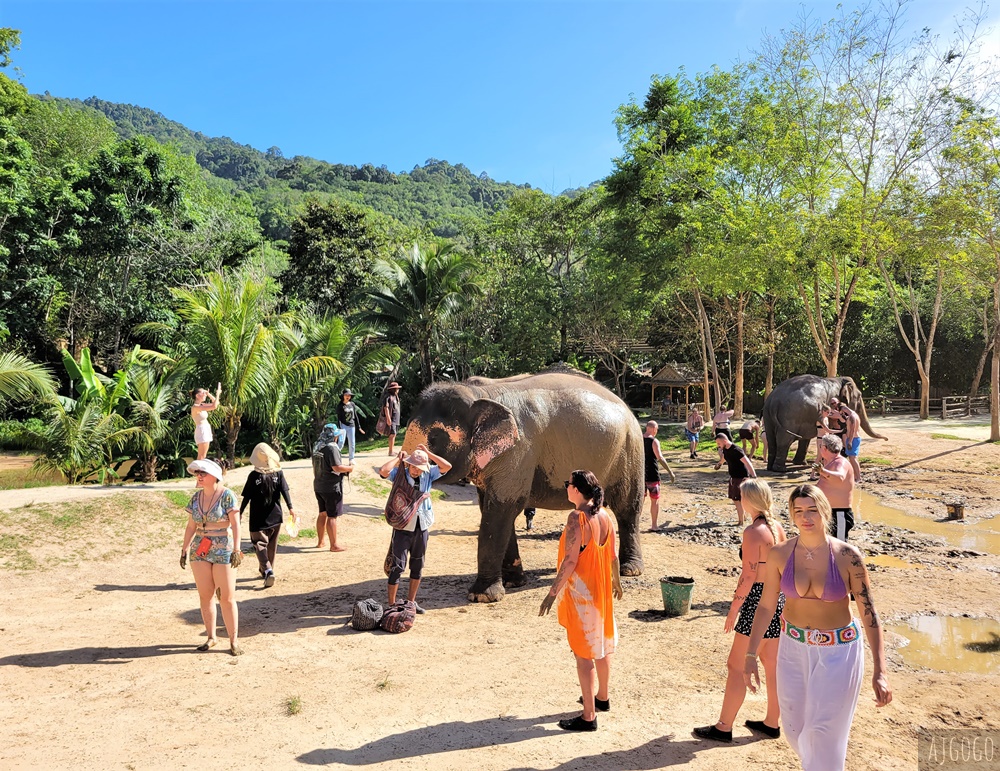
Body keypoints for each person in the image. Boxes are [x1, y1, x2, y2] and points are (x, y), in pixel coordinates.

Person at [744, 485, 892, 771]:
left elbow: (868, 611)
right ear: (791, 515)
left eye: (812, 509)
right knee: (795, 729)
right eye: (798, 511)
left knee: (824, 733)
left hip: (838, 651)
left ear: (824, 510)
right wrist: (750, 655)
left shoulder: (848, 556)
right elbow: (765, 607)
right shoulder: (779, 554)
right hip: (793, 647)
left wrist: (881, 671)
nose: (805, 517)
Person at [695, 478, 787, 743]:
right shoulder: (778, 528)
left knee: (736, 666)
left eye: (742, 496)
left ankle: (724, 727)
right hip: (776, 599)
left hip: (757, 601)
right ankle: (772, 722)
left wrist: (734, 608)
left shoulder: (753, 532)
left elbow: (748, 575)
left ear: (750, 501)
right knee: (772, 664)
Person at [539, 469, 623, 732]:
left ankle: (588, 716)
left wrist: (551, 593)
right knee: (602, 645)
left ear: (577, 489)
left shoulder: (577, 517)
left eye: (568, 484)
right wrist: (617, 581)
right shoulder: (604, 515)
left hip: (582, 594)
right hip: (601, 592)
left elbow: (571, 559)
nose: (566, 488)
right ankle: (603, 698)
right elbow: (612, 555)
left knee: (583, 654)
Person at [179, 459, 243, 656]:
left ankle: (233, 640)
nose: (199, 476)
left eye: (203, 473)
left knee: (226, 596)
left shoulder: (227, 496)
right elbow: (191, 526)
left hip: (223, 546)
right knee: (205, 594)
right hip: (200, 547)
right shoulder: (195, 498)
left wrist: (237, 550)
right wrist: (184, 549)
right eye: (197, 472)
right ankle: (211, 637)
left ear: (215, 476)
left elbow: (236, 524)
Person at [379, 444, 451, 613]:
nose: (417, 471)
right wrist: (398, 459)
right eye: (414, 467)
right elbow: (383, 471)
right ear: (409, 464)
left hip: (422, 525)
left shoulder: (428, 474)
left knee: (417, 565)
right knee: (397, 566)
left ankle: (411, 602)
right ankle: (391, 605)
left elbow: (447, 466)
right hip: (403, 526)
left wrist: (428, 453)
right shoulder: (399, 474)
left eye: (420, 468)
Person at [239, 443, 295, 588]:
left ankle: (267, 569)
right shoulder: (279, 473)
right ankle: (267, 570)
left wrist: (240, 512)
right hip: (276, 516)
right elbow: (285, 490)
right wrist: (291, 508)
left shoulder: (253, 476)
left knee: (259, 544)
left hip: (258, 518)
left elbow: (247, 497)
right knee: (271, 545)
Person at [313, 424, 352, 551]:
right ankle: (334, 545)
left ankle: (320, 542)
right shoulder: (332, 448)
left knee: (322, 513)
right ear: (334, 437)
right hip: (331, 487)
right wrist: (350, 468)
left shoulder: (317, 447)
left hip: (319, 485)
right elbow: (337, 468)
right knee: (332, 516)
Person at [814, 434, 855, 541]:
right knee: (827, 544)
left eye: (820, 446)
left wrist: (823, 471)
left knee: (839, 546)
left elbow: (839, 477)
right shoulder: (831, 462)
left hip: (839, 513)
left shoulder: (840, 462)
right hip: (829, 511)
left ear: (824, 448)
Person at [715, 432, 757, 525]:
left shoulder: (737, 450)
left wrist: (754, 477)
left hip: (741, 477)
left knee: (737, 499)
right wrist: (719, 464)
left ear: (725, 441)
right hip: (733, 477)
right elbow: (725, 458)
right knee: (739, 499)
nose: (718, 446)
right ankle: (744, 517)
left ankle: (740, 522)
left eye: (719, 443)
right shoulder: (725, 449)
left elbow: (747, 463)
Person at [642, 420, 673, 530]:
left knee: (640, 500)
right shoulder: (654, 441)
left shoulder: (638, 439)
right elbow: (660, 457)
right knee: (654, 500)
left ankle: (634, 526)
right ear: (654, 429)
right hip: (652, 474)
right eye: (657, 429)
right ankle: (654, 525)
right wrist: (670, 471)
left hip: (640, 475)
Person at [190, 384, 220, 460]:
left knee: (203, 455)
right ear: (197, 395)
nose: (205, 394)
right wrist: (218, 394)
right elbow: (214, 406)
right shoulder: (195, 407)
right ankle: (198, 471)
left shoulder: (201, 405)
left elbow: (216, 403)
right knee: (202, 456)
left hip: (205, 429)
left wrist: (209, 394)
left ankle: (200, 471)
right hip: (202, 430)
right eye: (203, 393)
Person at [337, 389, 365, 463]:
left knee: (352, 443)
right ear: (343, 396)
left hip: (352, 425)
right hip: (343, 425)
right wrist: (339, 429)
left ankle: (351, 459)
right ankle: (336, 457)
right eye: (346, 395)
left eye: (349, 395)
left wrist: (359, 427)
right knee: (341, 442)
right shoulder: (340, 405)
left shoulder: (352, 404)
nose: (347, 397)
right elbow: (339, 418)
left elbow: (355, 415)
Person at [839, 404, 863, 483]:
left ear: (843, 409)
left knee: (853, 458)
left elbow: (852, 430)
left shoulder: (852, 416)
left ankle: (859, 477)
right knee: (852, 458)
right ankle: (856, 476)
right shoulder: (853, 415)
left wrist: (849, 442)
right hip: (852, 438)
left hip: (853, 439)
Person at [811, 406, 833, 479]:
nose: (828, 414)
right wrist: (840, 431)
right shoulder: (820, 419)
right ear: (823, 411)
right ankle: (812, 475)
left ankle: (823, 473)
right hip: (821, 439)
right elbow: (828, 430)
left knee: (826, 457)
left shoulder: (826, 418)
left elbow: (828, 432)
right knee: (819, 457)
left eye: (829, 412)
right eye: (827, 412)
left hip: (826, 439)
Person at [383, 382, 402, 456]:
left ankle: (392, 450)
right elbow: (386, 408)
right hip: (392, 418)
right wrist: (388, 418)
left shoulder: (396, 397)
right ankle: (390, 451)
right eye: (397, 389)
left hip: (396, 419)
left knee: (394, 434)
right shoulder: (388, 397)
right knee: (392, 434)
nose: (398, 390)